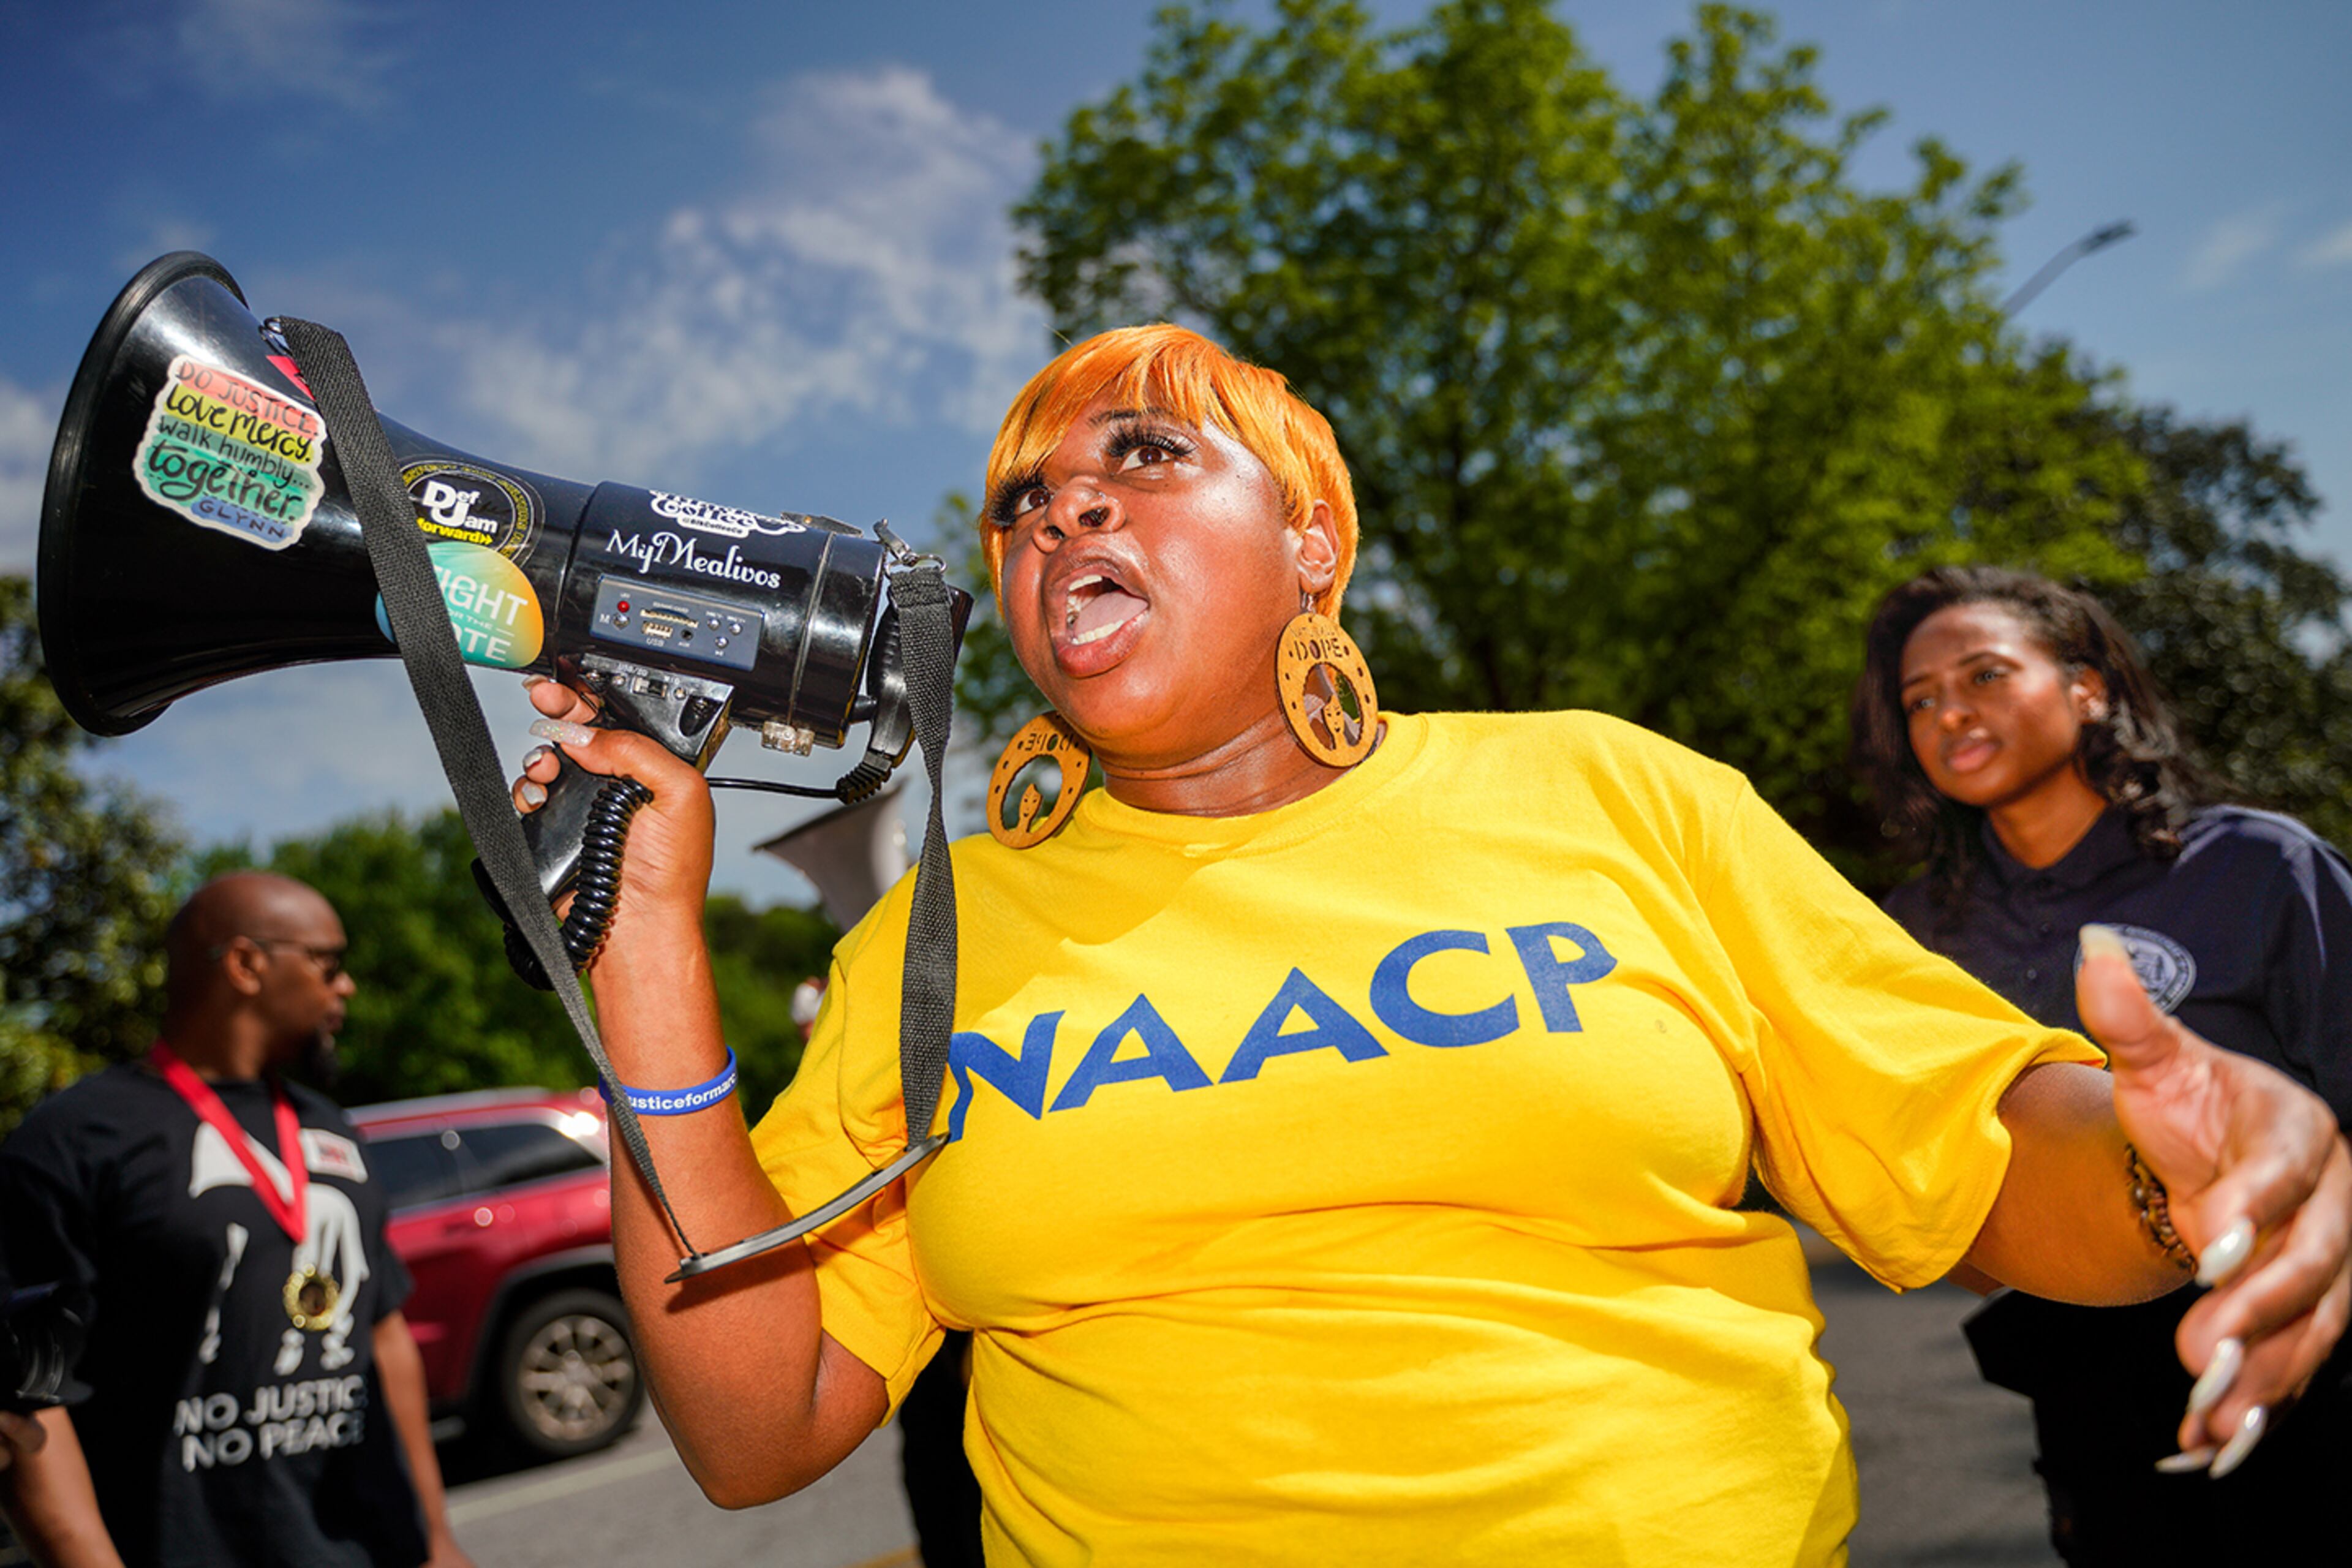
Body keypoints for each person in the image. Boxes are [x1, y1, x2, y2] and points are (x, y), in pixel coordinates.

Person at [511, 325, 2351, 1566]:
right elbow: (759, 1427)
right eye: (1020, 500)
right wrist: (647, 936)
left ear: (1312, 542)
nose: (1060, 506)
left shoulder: (1611, 793)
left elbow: (1982, 1158)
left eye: (1141, 457)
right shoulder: (945, 932)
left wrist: (2190, 1163)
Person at [1851, 564, 2352, 1562]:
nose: (1951, 713)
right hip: (2079, 1390)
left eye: (1986, 675)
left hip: (2308, 1355)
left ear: (2090, 689)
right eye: (1921, 700)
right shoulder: (1905, 936)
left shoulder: (2261, 867)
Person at [0, 873, 472, 1568]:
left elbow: (384, 1330)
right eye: (328, 965)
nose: (346, 989)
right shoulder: (75, 1139)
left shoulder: (328, 1125)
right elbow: (27, 1391)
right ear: (247, 964)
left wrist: (434, 1538)